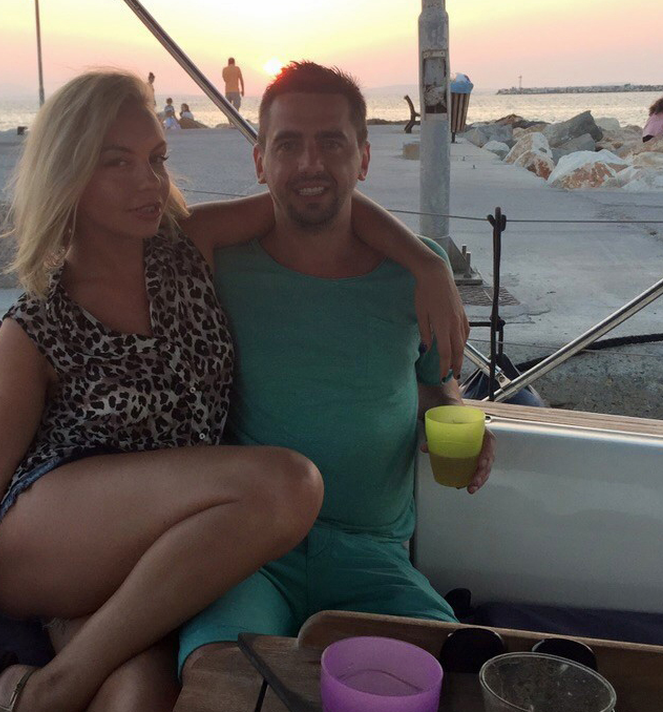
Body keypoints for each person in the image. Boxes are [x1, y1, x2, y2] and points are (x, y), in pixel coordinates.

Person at [0, 69, 468, 712]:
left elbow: (313, 197)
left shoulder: (190, 248)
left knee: (140, 699)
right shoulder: (37, 326)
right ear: (68, 175)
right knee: (287, 484)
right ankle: (55, 687)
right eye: (118, 163)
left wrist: (425, 262)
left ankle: (23, 689)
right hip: (46, 544)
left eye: (156, 159)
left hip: (151, 556)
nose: (149, 182)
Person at [179, 61, 496, 678]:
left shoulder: (416, 274)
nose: (310, 163)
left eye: (332, 143)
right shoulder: (222, 263)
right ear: (259, 162)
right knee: (218, 677)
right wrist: (422, 257)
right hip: (252, 547)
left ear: (364, 158)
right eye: (287, 145)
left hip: (372, 556)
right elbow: (184, 227)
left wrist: (459, 422)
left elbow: (435, 386)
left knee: (456, 673)